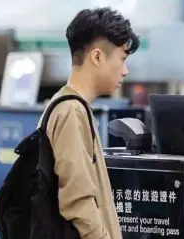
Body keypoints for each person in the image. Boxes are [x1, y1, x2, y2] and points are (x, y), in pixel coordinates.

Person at [37, 7, 140, 239]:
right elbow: (78, 201)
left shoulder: (67, 106)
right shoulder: (71, 111)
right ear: (97, 57)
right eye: (122, 59)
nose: (125, 71)